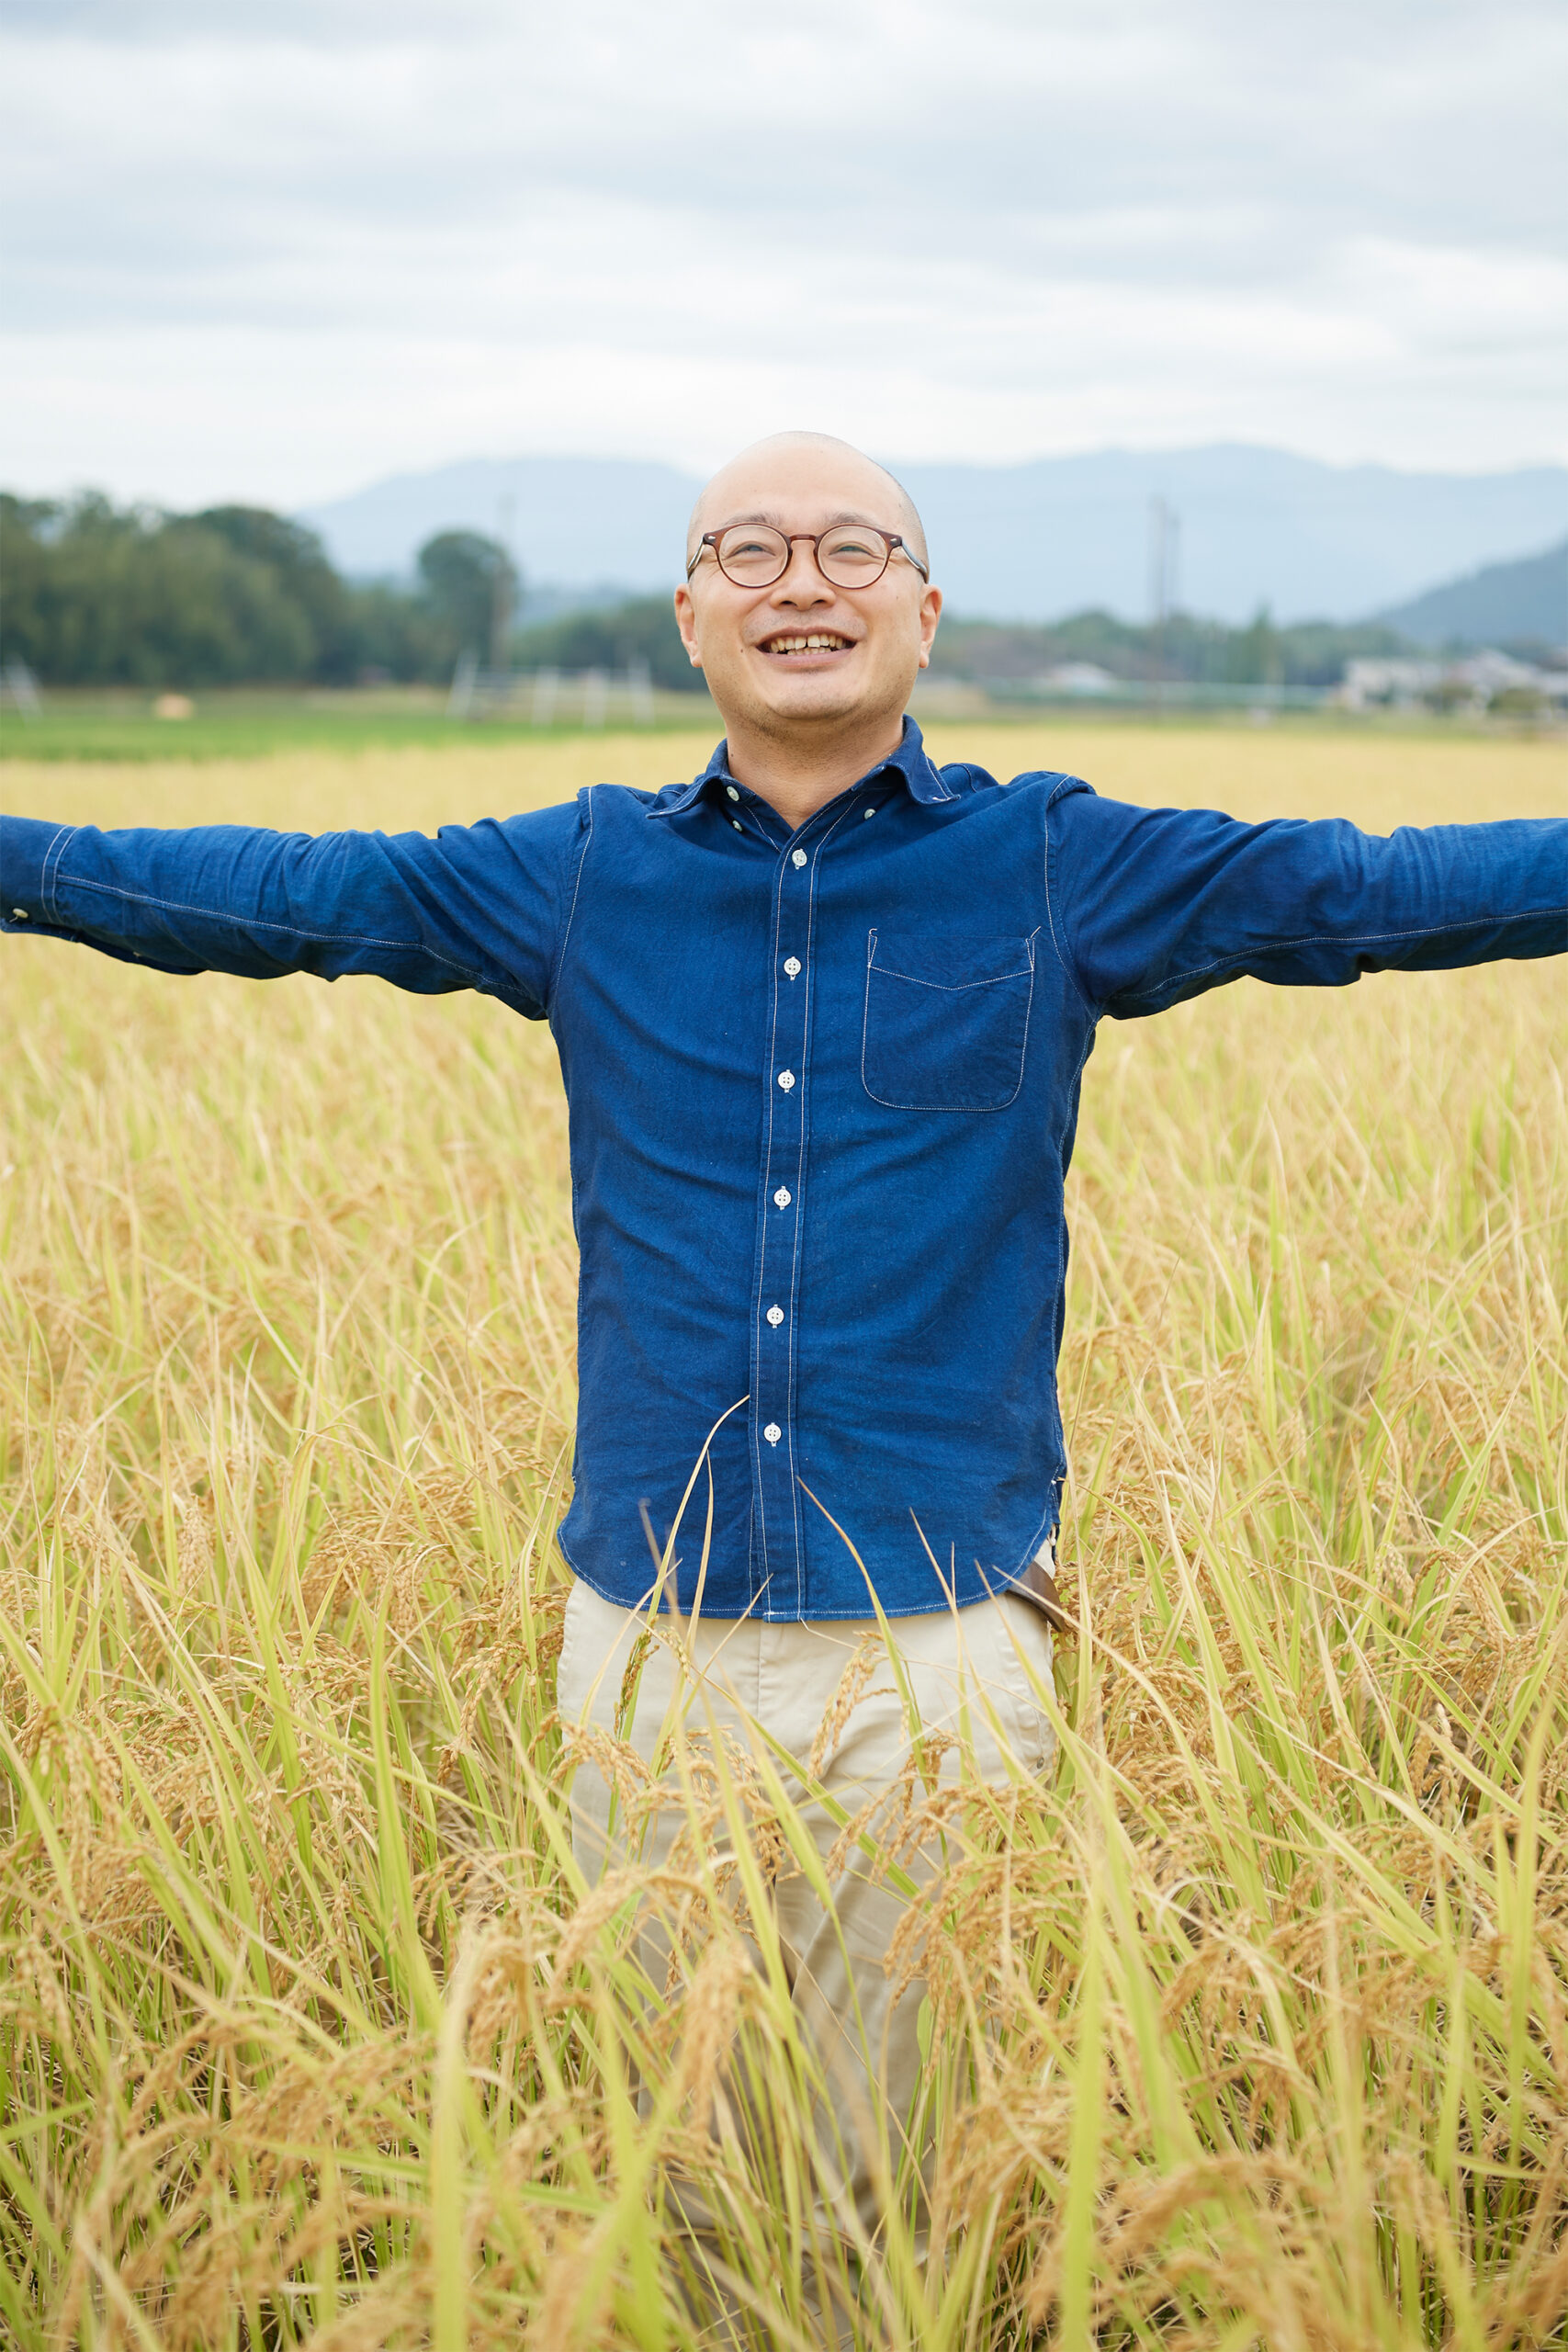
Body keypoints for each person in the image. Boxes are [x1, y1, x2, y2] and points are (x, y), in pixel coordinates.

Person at [3, 432, 1563, 2338]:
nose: (796, 580)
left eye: (848, 546)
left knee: (898, 2183)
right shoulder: (580, 871)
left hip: (932, 1643)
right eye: (744, 548)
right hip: (647, 1639)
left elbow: (1376, 888)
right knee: (672, 2176)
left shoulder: (1051, 860)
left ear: (922, 603)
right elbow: (277, 891)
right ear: (687, 614)